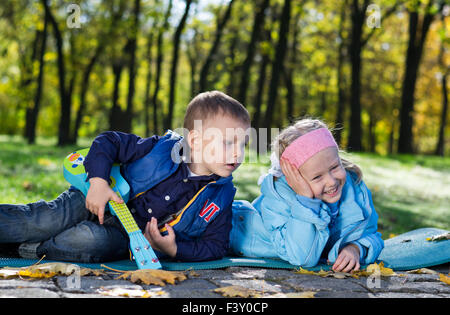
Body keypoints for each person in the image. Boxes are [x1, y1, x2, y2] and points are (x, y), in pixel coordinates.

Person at [0, 91, 250, 263]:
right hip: (96, 196)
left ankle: (27, 249)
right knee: (46, 219)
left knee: (88, 242)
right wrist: (98, 181)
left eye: (244, 144)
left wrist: (173, 249)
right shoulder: (159, 148)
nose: (237, 153)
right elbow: (108, 141)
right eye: (228, 143)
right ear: (194, 140)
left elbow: (216, 246)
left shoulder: (221, 196)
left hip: (126, 237)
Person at [230, 118, 384, 272]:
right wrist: (305, 201)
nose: (331, 181)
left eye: (335, 167)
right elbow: (302, 258)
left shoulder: (355, 191)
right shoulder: (279, 198)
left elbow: (372, 234)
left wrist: (355, 248)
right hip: (237, 232)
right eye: (317, 177)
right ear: (294, 180)